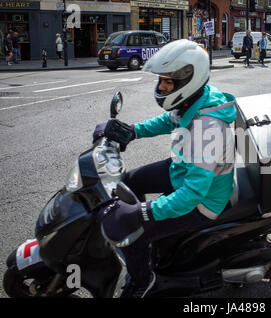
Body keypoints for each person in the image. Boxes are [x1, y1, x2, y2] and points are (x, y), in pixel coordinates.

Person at [94, 39, 237, 298]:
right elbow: (168, 120)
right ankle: (150, 243)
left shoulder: (207, 128)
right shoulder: (195, 99)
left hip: (202, 202)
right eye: (161, 80)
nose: (161, 87)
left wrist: (142, 213)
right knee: (128, 182)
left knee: (134, 232)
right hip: (182, 169)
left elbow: (192, 196)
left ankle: (142, 278)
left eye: (167, 82)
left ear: (188, 81)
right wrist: (132, 131)